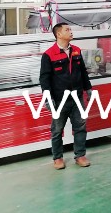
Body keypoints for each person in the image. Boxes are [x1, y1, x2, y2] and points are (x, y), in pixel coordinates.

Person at [39, 22, 93, 170]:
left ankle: (80, 155)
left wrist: (88, 88)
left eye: (70, 29)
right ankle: (57, 158)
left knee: (80, 127)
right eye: (67, 30)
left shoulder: (76, 51)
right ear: (59, 34)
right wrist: (48, 99)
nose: (71, 32)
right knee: (57, 130)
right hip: (59, 100)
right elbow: (44, 79)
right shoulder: (49, 55)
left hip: (77, 97)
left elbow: (83, 71)